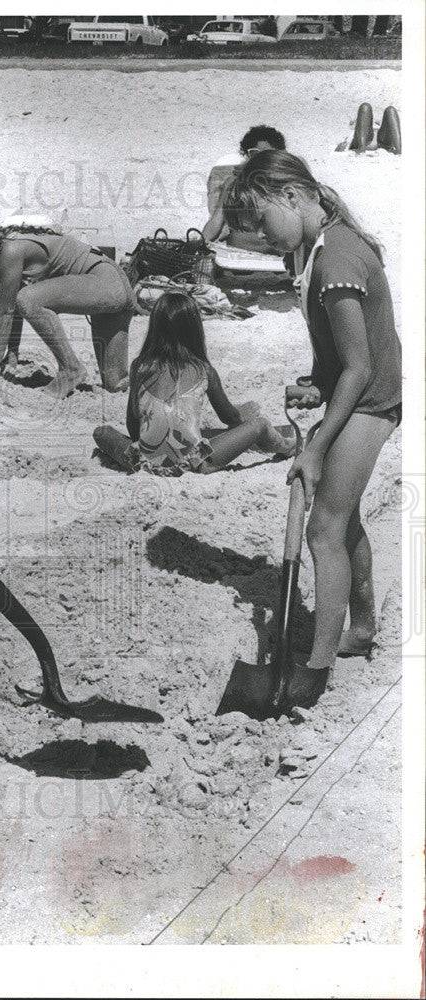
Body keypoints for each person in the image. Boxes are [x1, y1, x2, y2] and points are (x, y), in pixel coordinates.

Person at [223, 150, 402, 708]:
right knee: (340, 516)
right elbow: (340, 356)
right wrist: (317, 383)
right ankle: (363, 627)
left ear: (292, 197)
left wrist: (318, 446)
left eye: (260, 222)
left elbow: (362, 366)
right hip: (357, 392)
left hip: (371, 401)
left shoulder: (336, 260)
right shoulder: (313, 250)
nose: (258, 237)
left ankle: (316, 667)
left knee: (322, 527)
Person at [93, 291, 293, 475]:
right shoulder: (203, 370)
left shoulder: (140, 367)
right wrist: (241, 425)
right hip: (193, 463)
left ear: (154, 327)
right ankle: (288, 447)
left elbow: (133, 428)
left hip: (144, 462)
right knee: (259, 425)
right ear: (194, 330)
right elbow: (230, 417)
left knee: (101, 432)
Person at [0, 219, 134, 398]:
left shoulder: (11, 248)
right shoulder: (11, 245)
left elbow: (6, 311)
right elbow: (12, 307)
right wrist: (13, 353)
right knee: (115, 384)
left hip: (104, 283)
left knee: (28, 299)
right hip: (115, 286)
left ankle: (71, 368)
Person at [201, 125, 287, 253]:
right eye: (255, 154)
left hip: (275, 254)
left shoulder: (285, 184)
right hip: (239, 254)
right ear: (247, 155)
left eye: (267, 154)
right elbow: (216, 221)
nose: (260, 160)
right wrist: (199, 244)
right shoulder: (233, 183)